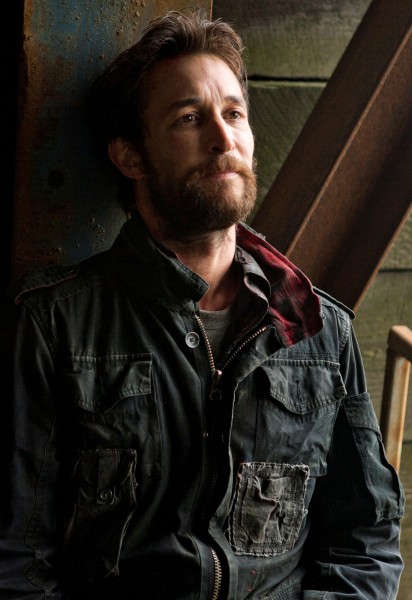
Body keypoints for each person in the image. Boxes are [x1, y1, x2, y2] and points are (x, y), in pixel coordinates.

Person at [0, 9, 405, 600]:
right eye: (189, 119)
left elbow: (363, 542)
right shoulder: (54, 325)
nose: (223, 139)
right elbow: (17, 561)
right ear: (130, 156)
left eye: (234, 114)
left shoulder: (320, 329)